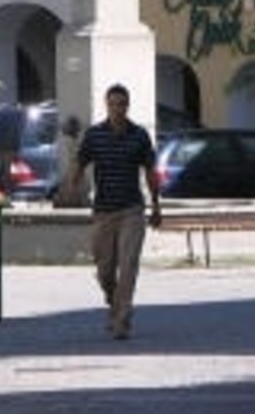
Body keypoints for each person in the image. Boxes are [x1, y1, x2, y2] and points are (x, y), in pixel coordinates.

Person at [69, 83, 161, 339]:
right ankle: (114, 300)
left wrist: (156, 206)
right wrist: (72, 184)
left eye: (121, 104)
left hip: (132, 210)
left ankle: (122, 321)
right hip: (104, 212)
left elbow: (151, 172)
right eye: (113, 104)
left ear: (127, 106)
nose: (117, 109)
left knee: (128, 266)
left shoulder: (140, 135)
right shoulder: (95, 135)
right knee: (105, 270)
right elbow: (80, 162)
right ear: (106, 106)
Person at [52, 114, 86, 209]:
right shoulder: (71, 141)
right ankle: (72, 200)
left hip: (75, 165)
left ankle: (72, 200)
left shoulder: (71, 141)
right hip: (75, 165)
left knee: (73, 182)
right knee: (72, 182)